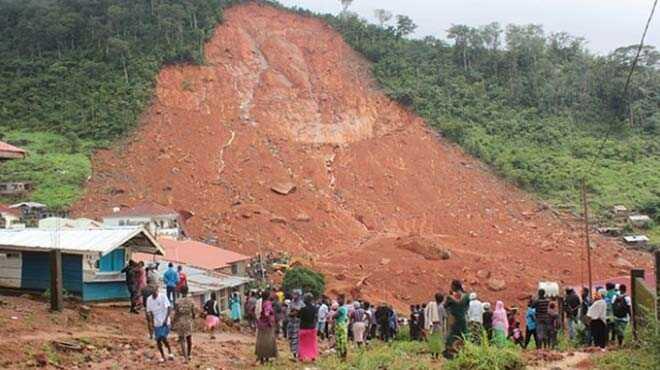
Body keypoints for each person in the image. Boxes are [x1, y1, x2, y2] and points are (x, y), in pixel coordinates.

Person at [146, 288, 175, 362]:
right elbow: (149, 312)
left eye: (155, 292)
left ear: (157, 291)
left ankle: (170, 352)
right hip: (157, 323)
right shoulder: (149, 300)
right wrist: (151, 322)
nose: (155, 294)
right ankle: (163, 356)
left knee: (163, 337)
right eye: (153, 293)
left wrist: (166, 319)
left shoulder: (163, 297)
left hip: (165, 322)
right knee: (158, 340)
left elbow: (169, 308)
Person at [443, 280, 470, 359]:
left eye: (452, 286)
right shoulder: (466, 296)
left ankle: (451, 354)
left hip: (454, 320)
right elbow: (467, 308)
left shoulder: (450, 298)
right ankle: (463, 353)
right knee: (463, 336)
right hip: (463, 320)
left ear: (454, 286)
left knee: (452, 336)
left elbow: (445, 306)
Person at [173, 285, 195, 363]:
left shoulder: (177, 301)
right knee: (189, 339)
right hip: (188, 321)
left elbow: (176, 313)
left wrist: (173, 322)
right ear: (187, 291)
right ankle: (189, 355)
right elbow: (193, 313)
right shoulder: (191, 301)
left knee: (182, 340)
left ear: (180, 292)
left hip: (181, 321)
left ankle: (185, 358)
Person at [255, 290, 277, 364]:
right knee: (268, 342)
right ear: (268, 296)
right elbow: (267, 313)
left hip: (261, 324)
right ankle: (266, 358)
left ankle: (261, 359)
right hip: (267, 325)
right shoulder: (268, 303)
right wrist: (270, 321)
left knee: (261, 342)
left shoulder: (261, 302)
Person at [298, 293, 319, 361]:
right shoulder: (315, 308)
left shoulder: (302, 309)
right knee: (312, 343)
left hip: (303, 327)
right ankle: (312, 356)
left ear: (305, 300)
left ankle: (302, 357)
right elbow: (315, 318)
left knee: (302, 343)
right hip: (312, 327)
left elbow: (299, 316)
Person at [287, 289, 305, 359]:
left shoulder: (302, 304)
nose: (294, 296)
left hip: (298, 324)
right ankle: (294, 354)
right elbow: (288, 313)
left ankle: (298, 354)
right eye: (293, 294)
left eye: (296, 294)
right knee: (291, 339)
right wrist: (295, 312)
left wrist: (295, 311)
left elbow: (302, 313)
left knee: (298, 339)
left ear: (299, 295)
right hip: (291, 323)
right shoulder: (291, 303)